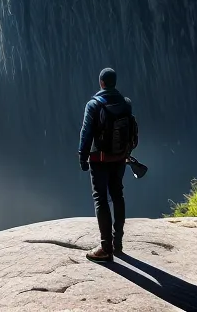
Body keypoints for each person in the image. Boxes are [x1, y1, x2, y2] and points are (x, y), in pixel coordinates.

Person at [78, 67, 138, 262]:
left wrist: (82, 156)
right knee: (118, 194)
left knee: (101, 199)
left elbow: (86, 133)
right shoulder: (126, 103)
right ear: (114, 82)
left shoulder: (94, 105)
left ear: (101, 83)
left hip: (100, 159)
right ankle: (117, 243)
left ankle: (105, 248)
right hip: (120, 157)